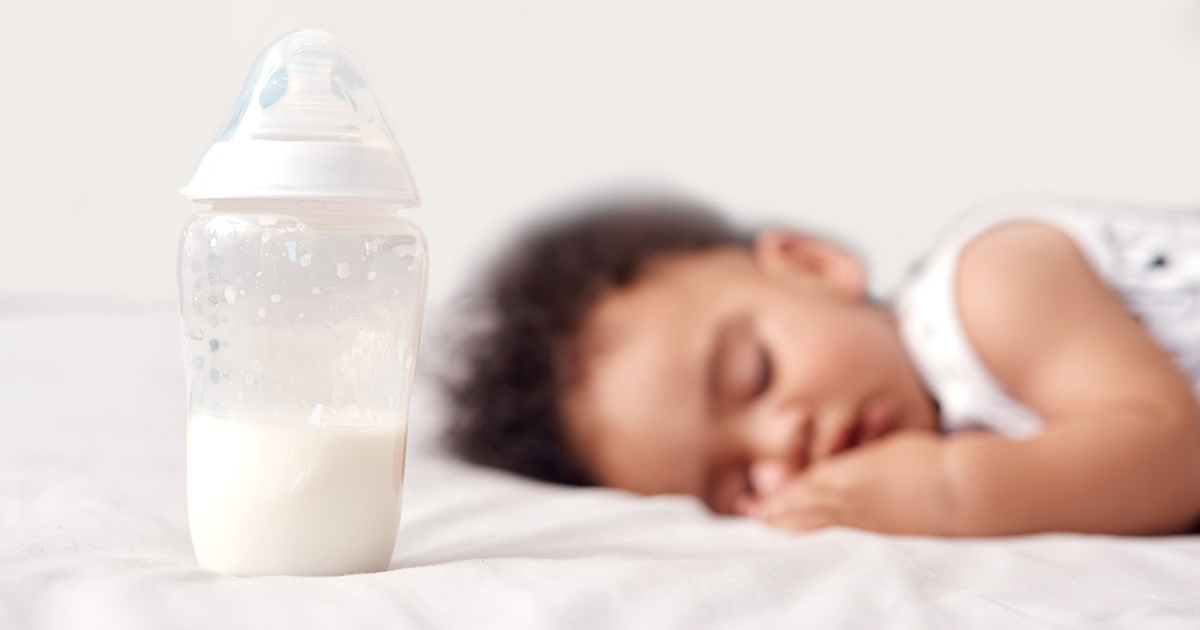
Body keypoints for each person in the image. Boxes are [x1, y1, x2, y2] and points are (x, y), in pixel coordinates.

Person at [445, 194, 1200, 536]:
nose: (782, 444)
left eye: (757, 375)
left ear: (809, 264)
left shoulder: (990, 286)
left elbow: (1173, 452)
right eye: (738, 483)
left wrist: (949, 496)